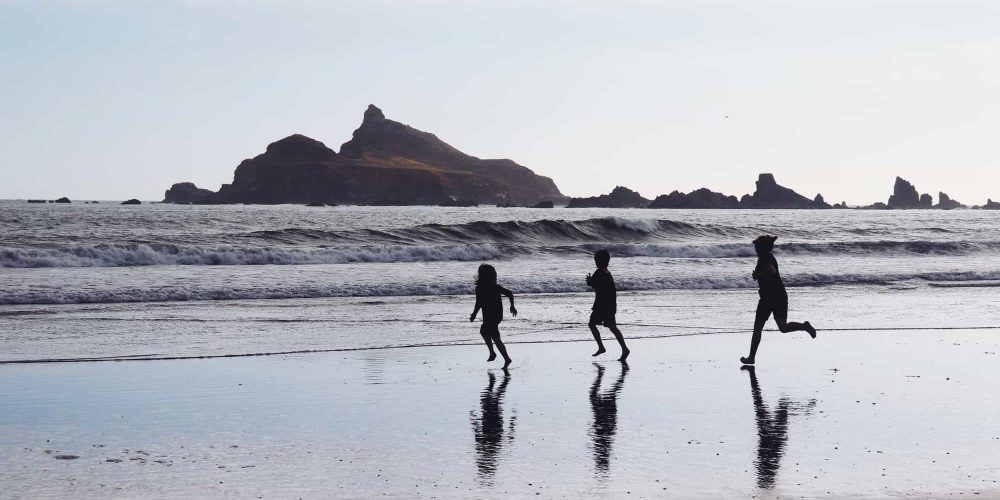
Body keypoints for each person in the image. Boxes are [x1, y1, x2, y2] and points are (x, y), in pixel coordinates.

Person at [741, 235, 816, 365]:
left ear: (764, 247)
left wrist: (757, 275)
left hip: (769, 297)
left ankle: (751, 357)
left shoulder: (765, 257)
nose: (756, 250)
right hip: (779, 295)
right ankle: (804, 326)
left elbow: (772, 271)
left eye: (758, 247)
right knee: (783, 327)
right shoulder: (767, 257)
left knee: (758, 327)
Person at [470, 264, 517, 369]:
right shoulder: (493, 287)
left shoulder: (481, 288)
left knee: (494, 336)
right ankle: (494, 354)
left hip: (492, 315)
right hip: (494, 315)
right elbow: (509, 293)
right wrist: (512, 306)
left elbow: (478, 303)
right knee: (485, 331)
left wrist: (474, 314)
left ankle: (504, 357)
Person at [587, 250, 630, 361]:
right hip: (610, 305)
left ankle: (601, 347)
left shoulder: (599, 272)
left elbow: (594, 286)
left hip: (602, 305)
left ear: (598, 262)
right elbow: (602, 288)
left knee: (592, 324)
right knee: (613, 327)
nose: (595, 263)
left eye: (596, 261)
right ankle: (624, 349)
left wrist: (589, 281)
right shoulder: (607, 273)